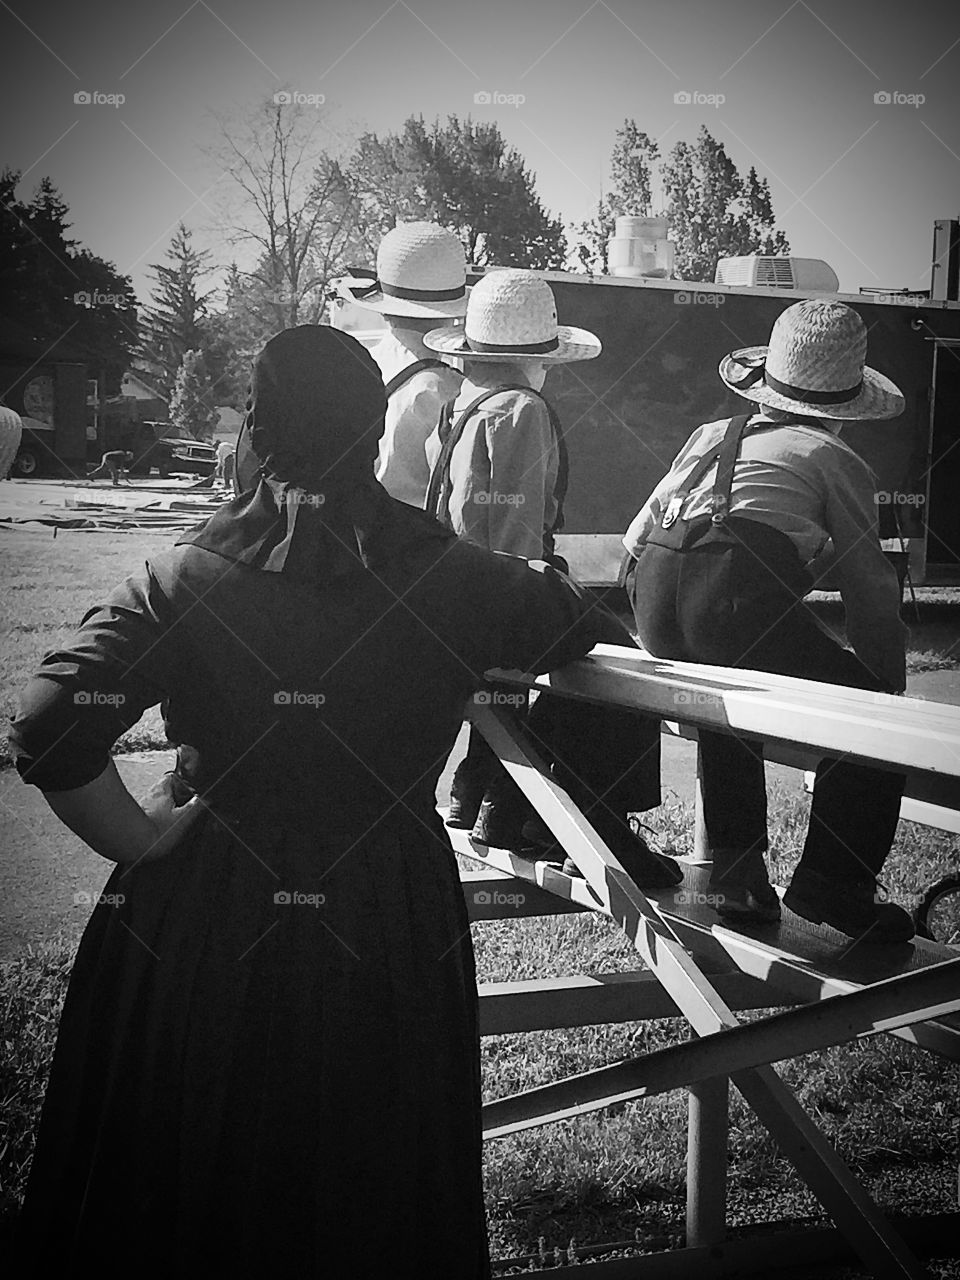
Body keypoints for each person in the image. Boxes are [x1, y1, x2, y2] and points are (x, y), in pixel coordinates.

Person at [9, 325, 635, 1278]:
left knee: (185, 1164)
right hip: (382, 905)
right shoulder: (457, 578)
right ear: (375, 430)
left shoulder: (181, 576)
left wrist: (136, 840)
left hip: (204, 903)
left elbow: (50, 721)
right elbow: (578, 622)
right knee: (366, 1170)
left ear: (257, 431)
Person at [622, 297, 914, 943]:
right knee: (870, 724)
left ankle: (738, 874)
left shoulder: (711, 435)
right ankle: (835, 885)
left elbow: (636, 538)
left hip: (654, 598)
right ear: (845, 410)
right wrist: (885, 690)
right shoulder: (833, 458)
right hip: (728, 606)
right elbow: (869, 588)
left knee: (727, 694)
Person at [423, 270, 681, 889]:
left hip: (447, 585)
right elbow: (514, 525)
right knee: (625, 667)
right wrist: (522, 608)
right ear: (537, 358)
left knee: (541, 685)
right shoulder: (522, 409)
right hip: (497, 585)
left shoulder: (459, 405)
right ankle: (600, 825)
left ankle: (488, 796)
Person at [336, 221, 465, 507]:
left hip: (353, 526)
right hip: (414, 531)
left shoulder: (353, 368)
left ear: (384, 310)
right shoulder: (446, 389)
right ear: (451, 316)